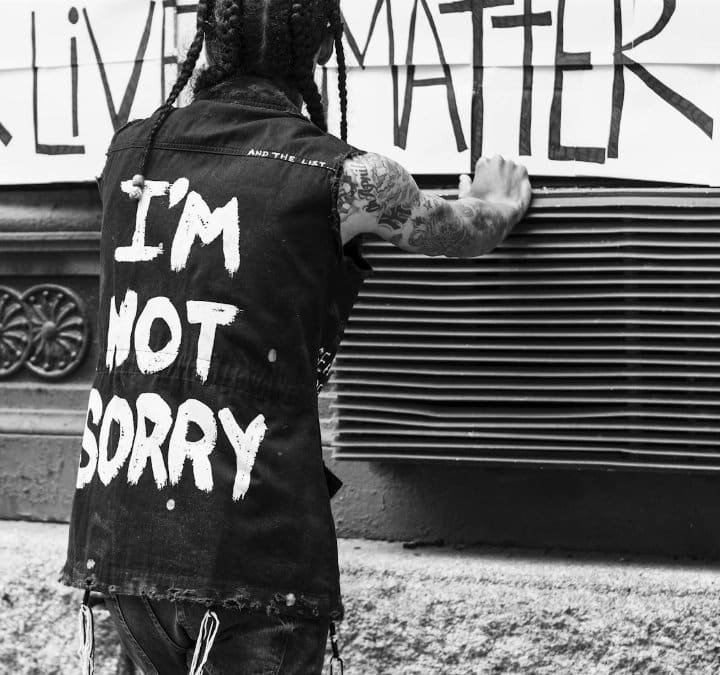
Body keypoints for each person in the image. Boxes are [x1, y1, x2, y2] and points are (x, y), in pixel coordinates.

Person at [58, 0, 532, 673]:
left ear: (209, 44)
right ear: (322, 48)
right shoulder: (346, 178)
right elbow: (463, 228)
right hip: (254, 557)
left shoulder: (130, 151)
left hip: (126, 550)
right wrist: (499, 200)